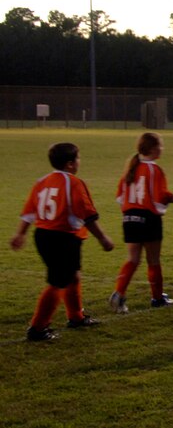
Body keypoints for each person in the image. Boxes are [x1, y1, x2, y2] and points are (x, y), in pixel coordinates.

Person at [10, 143, 114, 341]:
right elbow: (87, 215)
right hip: (62, 237)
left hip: (42, 235)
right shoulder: (74, 183)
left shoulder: (42, 181)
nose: (79, 162)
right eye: (78, 159)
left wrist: (20, 233)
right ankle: (38, 328)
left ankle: (76, 317)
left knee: (72, 276)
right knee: (57, 282)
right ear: (70, 164)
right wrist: (103, 238)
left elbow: (29, 212)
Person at [109, 132, 173, 313]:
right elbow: (162, 196)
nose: (162, 149)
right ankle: (157, 298)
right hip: (148, 218)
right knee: (153, 260)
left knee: (133, 260)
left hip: (129, 218)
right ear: (152, 148)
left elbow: (120, 197)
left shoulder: (130, 168)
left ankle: (118, 293)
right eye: (160, 146)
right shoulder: (154, 169)